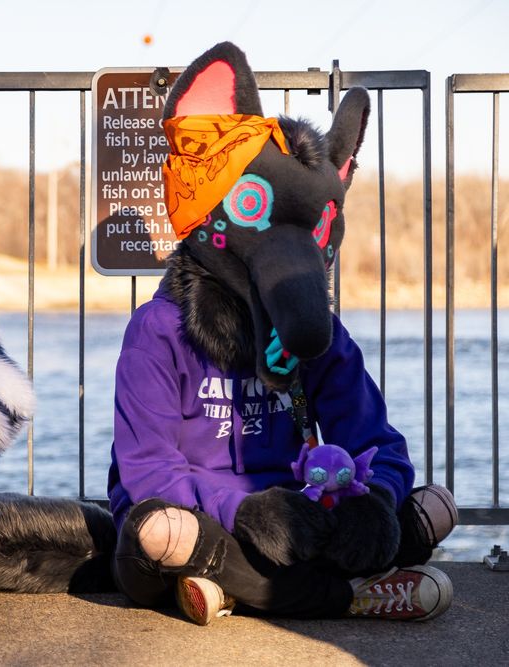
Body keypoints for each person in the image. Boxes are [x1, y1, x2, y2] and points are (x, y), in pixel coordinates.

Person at [108, 42, 457, 625]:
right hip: (198, 515)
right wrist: (243, 511)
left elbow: (378, 442)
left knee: (426, 506)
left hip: (298, 517)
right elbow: (149, 469)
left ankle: (229, 590)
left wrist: (374, 501)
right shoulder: (158, 328)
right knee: (160, 539)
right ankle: (356, 596)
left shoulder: (322, 337)